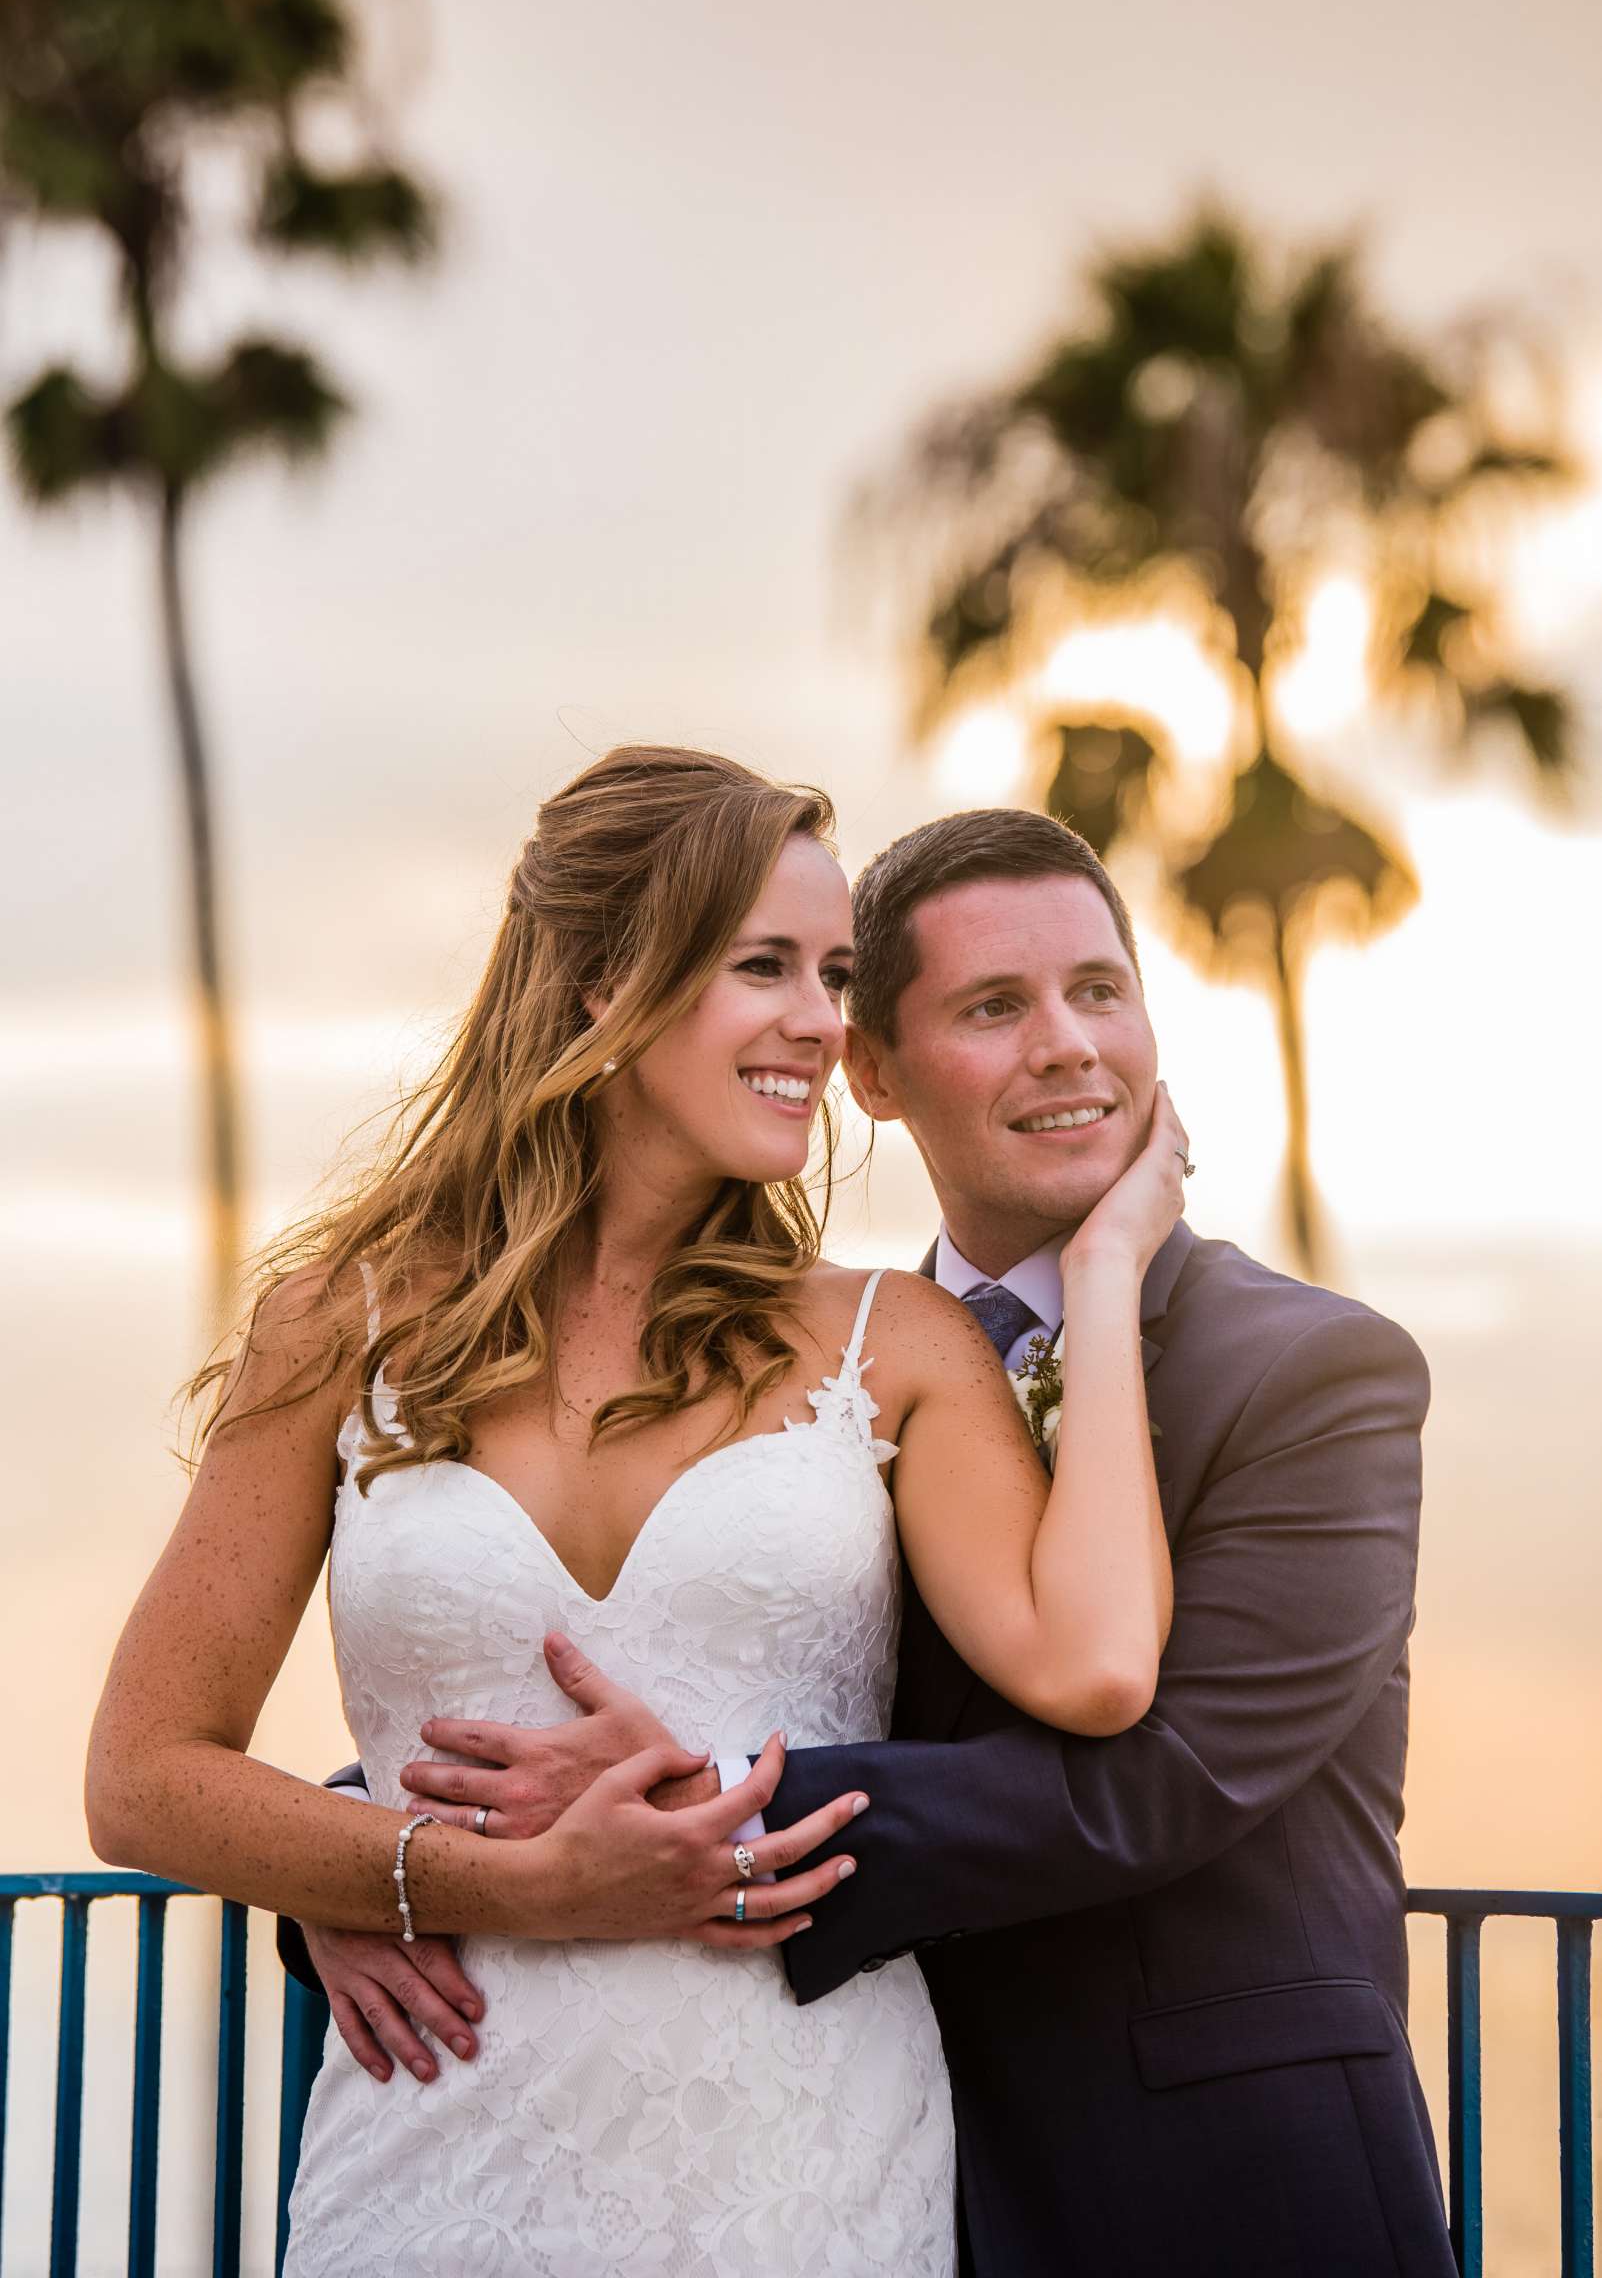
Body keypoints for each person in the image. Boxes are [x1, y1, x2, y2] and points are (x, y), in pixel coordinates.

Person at [295, 806, 1456, 2278]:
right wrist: (361, 1860)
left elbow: (1164, 1779)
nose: (1066, 1044)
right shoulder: (842, 1367)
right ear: (873, 1071)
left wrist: (694, 1815)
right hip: (877, 2161)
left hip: (1219, 2189)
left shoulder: (1317, 1372)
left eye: (1100, 990)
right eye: (993, 1006)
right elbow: (690, 1647)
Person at [88, 753, 1186, 2278]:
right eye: (764, 969)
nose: (820, 1020)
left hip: (804, 2168)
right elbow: (142, 1777)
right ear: (601, 988)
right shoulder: (333, 1330)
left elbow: (1097, 1667)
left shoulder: (895, 1347)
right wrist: (457, 1877)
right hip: (429, 2165)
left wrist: (1114, 1275)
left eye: (837, 975)